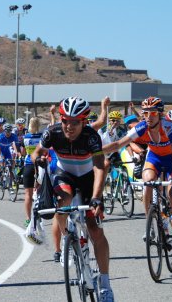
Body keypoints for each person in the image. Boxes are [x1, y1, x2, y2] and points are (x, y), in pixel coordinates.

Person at [31, 97, 114, 302]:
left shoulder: (91, 136)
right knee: (64, 200)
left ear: (84, 122)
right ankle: (68, 238)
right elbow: (37, 152)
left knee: (94, 229)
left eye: (75, 122)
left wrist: (96, 197)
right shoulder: (53, 132)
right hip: (64, 174)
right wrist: (38, 159)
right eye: (65, 120)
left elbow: (99, 166)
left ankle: (105, 284)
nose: (69, 126)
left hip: (88, 178)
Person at [103, 96, 172, 222]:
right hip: (154, 158)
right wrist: (96, 151)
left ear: (160, 114)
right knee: (147, 183)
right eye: (145, 112)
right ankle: (149, 221)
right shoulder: (142, 126)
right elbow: (118, 144)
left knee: (170, 193)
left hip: (170, 159)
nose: (148, 116)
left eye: (153, 112)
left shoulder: (168, 127)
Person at [22, 117, 43, 227]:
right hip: (40, 165)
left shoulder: (25, 137)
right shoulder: (42, 137)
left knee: (28, 194)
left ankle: (28, 218)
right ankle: (38, 216)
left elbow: (23, 152)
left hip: (28, 165)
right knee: (39, 192)